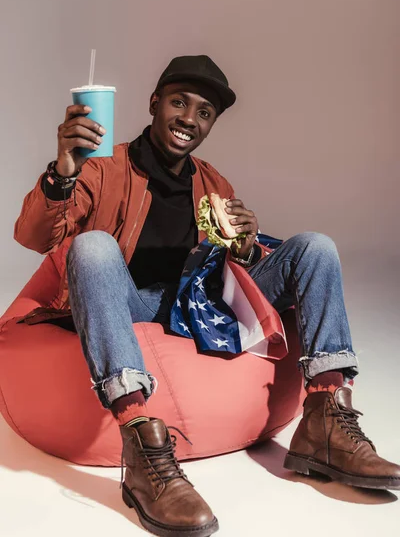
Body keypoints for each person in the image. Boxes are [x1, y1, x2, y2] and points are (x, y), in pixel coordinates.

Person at [15, 55, 400, 537]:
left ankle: (325, 418)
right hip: (127, 300)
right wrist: (62, 172)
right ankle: (142, 443)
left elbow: (226, 273)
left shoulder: (212, 182)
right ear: (155, 104)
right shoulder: (103, 168)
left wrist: (246, 245)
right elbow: (34, 237)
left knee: (315, 247)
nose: (188, 120)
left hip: (194, 307)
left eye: (204, 113)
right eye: (179, 103)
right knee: (92, 246)